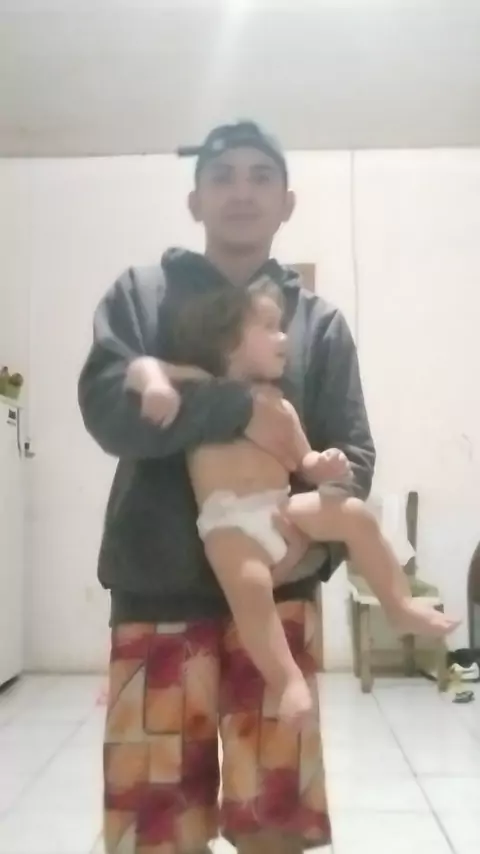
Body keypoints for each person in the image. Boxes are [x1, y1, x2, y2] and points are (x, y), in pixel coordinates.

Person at [78, 121, 376, 854]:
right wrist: (241, 408)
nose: (241, 191)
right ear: (195, 201)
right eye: (222, 176)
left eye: (260, 176)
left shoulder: (317, 325)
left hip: (279, 601)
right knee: (156, 829)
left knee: (274, 824)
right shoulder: (143, 297)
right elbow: (111, 411)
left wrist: (309, 542)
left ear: (288, 202)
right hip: (155, 594)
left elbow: (354, 455)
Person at [126, 275, 457, 730]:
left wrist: (325, 465)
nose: (285, 338)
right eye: (269, 327)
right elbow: (141, 366)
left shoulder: (281, 405)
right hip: (228, 523)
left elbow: (304, 461)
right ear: (229, 340)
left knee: (354, 515)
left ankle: (398, 605)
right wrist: (154, 387)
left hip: (281, 509)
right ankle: (286, 681)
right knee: (250, 585)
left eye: (282, 326)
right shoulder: (200, 385)